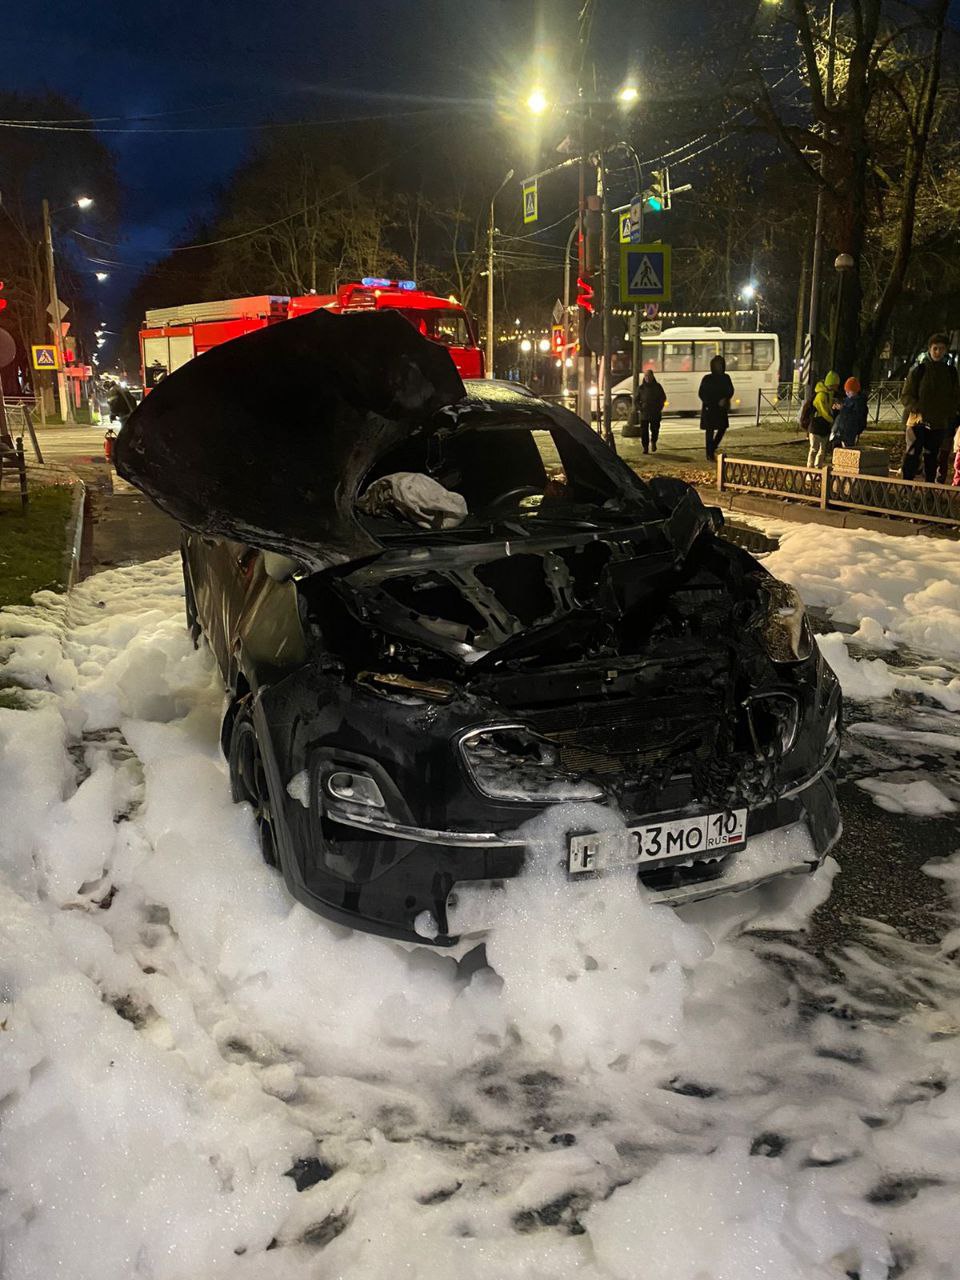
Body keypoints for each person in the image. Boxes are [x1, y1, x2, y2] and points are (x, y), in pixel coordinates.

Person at [901, 333, 960, 482]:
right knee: (912, 456)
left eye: (941, 349)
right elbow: (906, 395)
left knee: (932, 458)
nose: (938, 352)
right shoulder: (919, 371)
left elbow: (955, 397)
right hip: (917, 422)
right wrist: (917, 408)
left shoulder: (950, 373)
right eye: (935, 349)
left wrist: (948, 413)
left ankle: (929, 492)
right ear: (929, 349)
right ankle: (907, 489)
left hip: (938, 424)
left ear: (946, 350)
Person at [698, 353, 735, 460]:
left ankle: (712, 448)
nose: (718, 367)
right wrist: (709, 402)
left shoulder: (726, 377)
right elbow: (701, 393)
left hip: (721, 408)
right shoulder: (707, 378)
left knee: (722, 429)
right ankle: (709, 453)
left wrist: (726, 398)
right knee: (709, 431)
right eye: (716, 365)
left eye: (720, 364)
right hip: (709, 408)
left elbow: (730, 390)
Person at [806, 370, 841, 467]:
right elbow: (823, 412)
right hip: (817, 426)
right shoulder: (821, 395)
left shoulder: (829, 394)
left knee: (821, 450)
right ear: (832, 383)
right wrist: (832, 420)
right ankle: (810, 470)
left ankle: (817, 469)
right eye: (836, 384)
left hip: (823, 426)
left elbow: (827, 409)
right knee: (814, 449)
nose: (837, 387)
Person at [634, 368, 667, 454]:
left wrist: (659, 407)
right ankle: (645, 447)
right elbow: (636, 400)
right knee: (644, 431)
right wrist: (640, 408)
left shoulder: (658, 387)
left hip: (655, 413)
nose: (647, 378)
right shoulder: (641, 388)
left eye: (649, 376)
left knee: (655, 429)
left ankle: (653, 442)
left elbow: (663, 398)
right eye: (646, 376)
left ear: (652, 376)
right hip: (644, 413)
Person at [830, 377, 868, 448]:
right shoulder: (847, 401)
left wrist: (843, 408)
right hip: (840, 430)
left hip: (850, 431)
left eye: (849, 391)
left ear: (855, 391)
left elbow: (855, 416)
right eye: (846, 391)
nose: (847, 393)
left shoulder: (859, 403)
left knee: (848, 450)